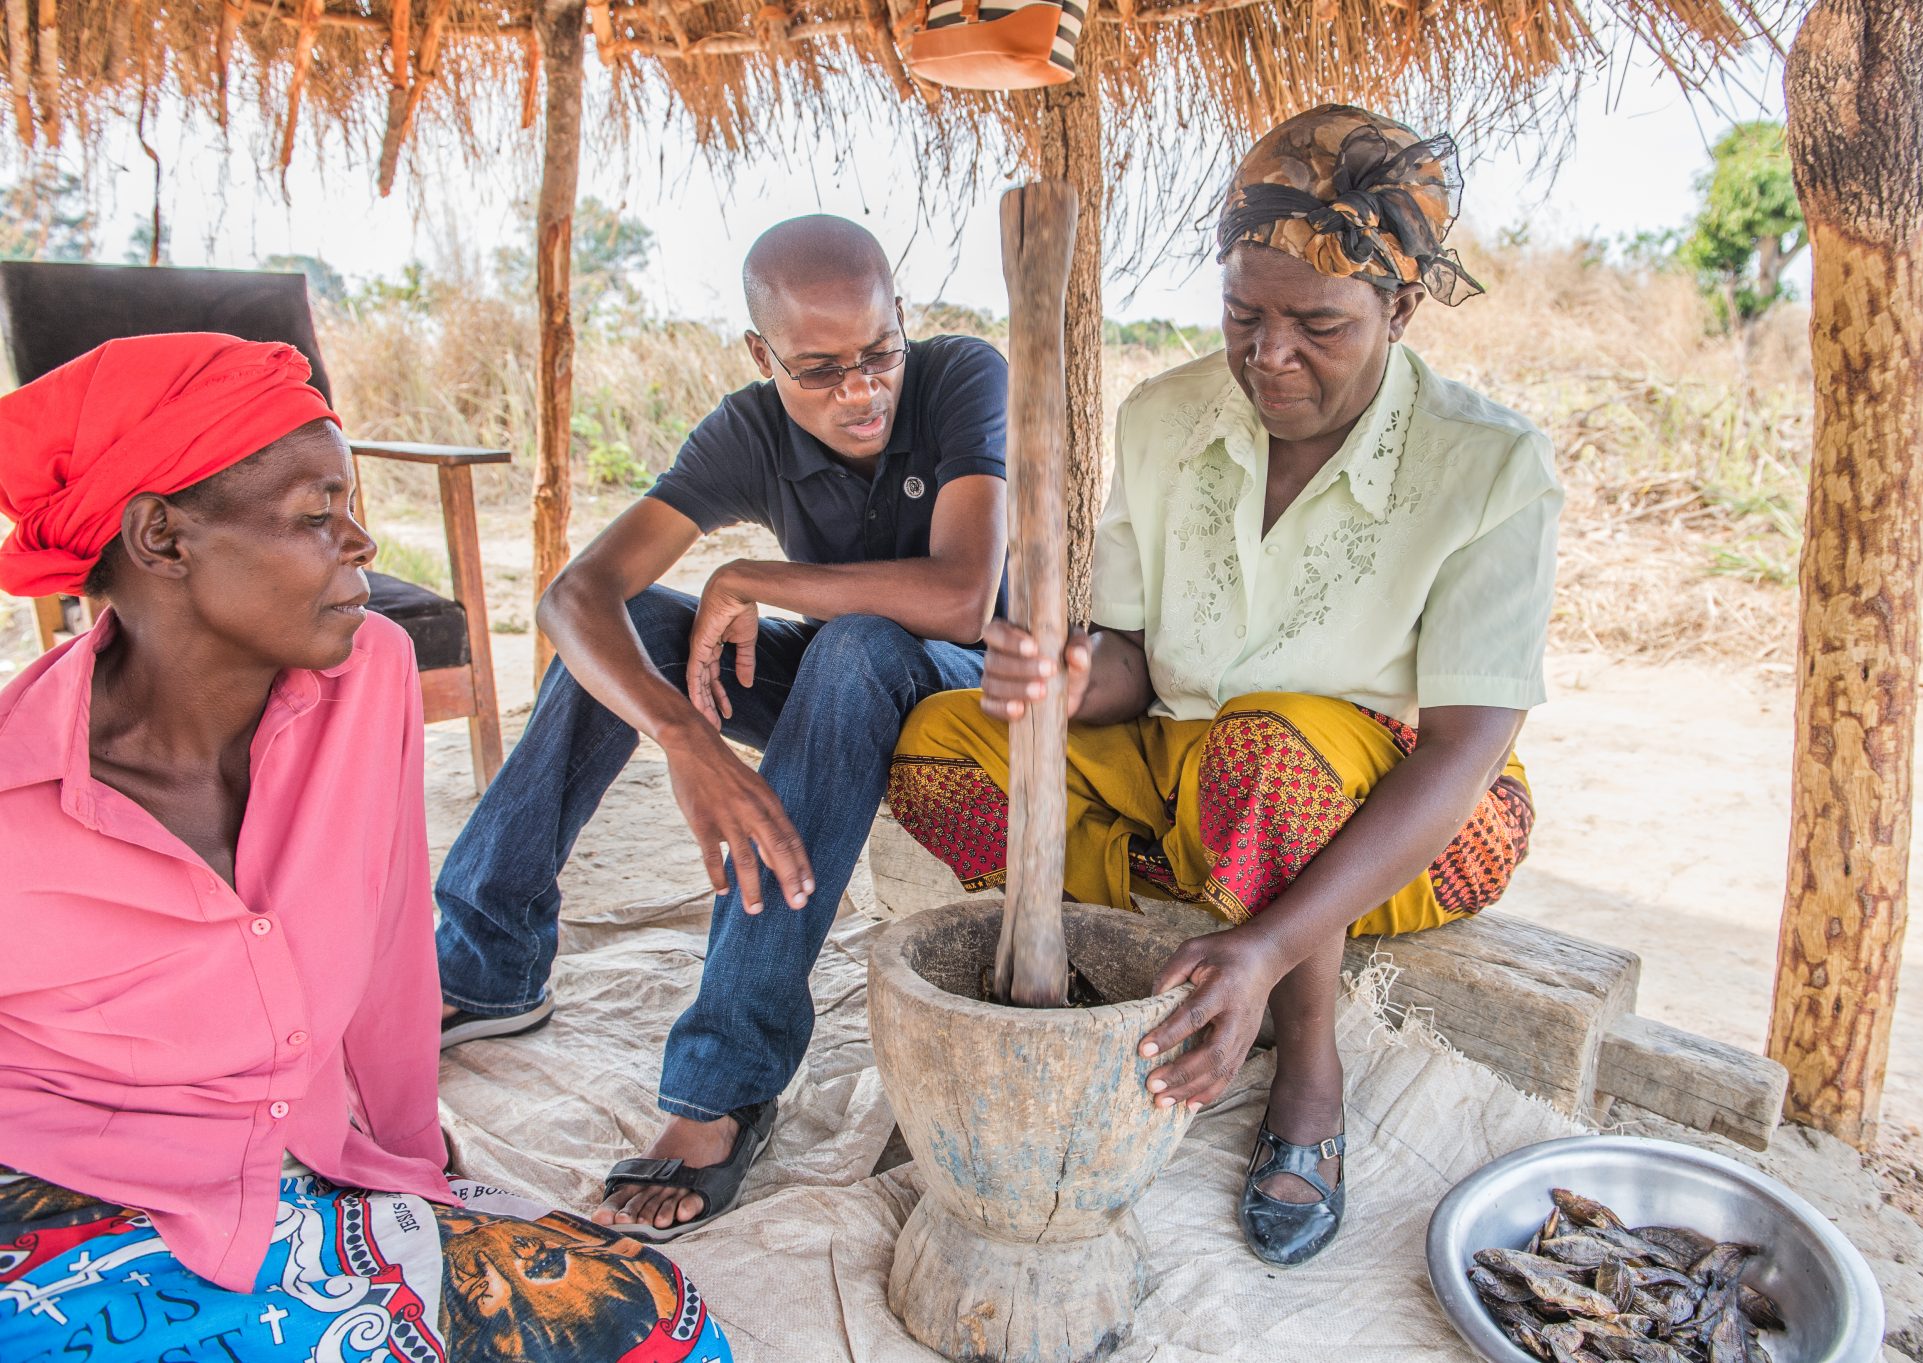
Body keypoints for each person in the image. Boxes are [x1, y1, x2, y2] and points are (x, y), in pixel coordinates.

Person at [889, 106, 1559, 1268]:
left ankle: (1306, 1067)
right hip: (1184, 775)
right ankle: (1140, 949)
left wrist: (1266, 948)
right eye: (1243, 315)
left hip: (1410, 811)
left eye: (1318, 325)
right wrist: (1067, 676)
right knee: (939, 744)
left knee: (1268, 755)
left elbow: (1464, 746)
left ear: (1400, 311)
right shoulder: (1164, 418)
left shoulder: (1487, 463)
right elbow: (1132, 661)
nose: (1269, 356)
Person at [0, 333, 730, 1360]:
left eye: (351, 507)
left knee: (657, 1324)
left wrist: (411, 1164)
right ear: (162, 537)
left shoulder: (367, 677)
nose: (361, 543)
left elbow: (390, 955)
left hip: (298, 1178)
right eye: (317, 515)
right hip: (60, 1206)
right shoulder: (17, 794)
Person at [434, 215, 1008, 1238]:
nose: (860, 391)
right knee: (642, 628)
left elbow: (964, 598)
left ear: (902, 319)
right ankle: (484, 960)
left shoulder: (961, 375)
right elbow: (574, 595)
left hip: (970, 692)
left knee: (852, 645)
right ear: (759, 353)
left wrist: (746, 576)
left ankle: (724, 1083)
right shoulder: (747, 432)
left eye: (878, 352)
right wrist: (684, 736)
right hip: (839, 684)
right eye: (818, 369)